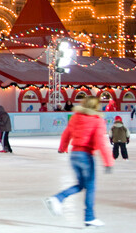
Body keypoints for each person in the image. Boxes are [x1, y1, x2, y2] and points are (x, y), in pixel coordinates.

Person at [45, 96, 113, 228]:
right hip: (86, 156)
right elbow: (100, 142)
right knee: (91, 187)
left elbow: (66, 133)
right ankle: (89, 217)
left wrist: (62, 148)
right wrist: (108, 161)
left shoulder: (76, 117)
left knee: (81, 185)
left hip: (74, 155)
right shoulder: (97, 120)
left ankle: (58, 198)